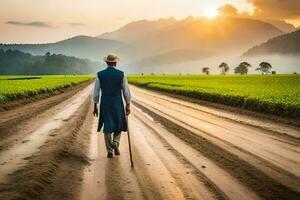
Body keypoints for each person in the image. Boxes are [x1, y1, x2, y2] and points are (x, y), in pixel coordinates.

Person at [92, 53, 131, 158]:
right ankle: (116, 143)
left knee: (108, 126)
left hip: (105, 102)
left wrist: (95, 105)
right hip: (117, 102)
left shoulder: (100, 74)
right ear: (116, 63)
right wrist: (128, 104)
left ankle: (110, 150)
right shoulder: (121, 74)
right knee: (119, 124)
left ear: (106, 62)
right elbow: (126, 91)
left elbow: (96, 93)